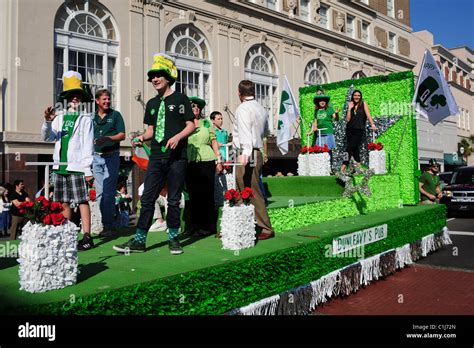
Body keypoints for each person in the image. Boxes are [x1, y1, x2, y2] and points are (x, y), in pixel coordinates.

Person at [113, 53, 195, 254]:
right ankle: (139, 241)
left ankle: (174, 240)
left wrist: (177, 137)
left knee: (173, 199)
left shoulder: (181, 98)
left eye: (158, 75)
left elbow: (191, 125)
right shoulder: (151, 104)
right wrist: (142, 137)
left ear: (168, 77)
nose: (154, 79)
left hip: (177, 157)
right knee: (148, 198)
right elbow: (150, 130)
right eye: (152, 76)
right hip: (157, 157)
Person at [42, 70, 95, 251]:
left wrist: (88, 169)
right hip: (60, 166)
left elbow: (88, 144)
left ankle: (87, 235)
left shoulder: (86, 118)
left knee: (82, 200)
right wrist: (48, 122)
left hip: (78, 166)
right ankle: (67, 233)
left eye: (77, 95)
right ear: (66, 97)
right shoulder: (59, 116)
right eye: (71, 95)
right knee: (63, 202)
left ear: (81, 98)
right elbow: (48, 137)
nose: (74, 99)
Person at [233, 80, 274, 240]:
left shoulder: (243, 108)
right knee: (247, 189)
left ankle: (265, 227)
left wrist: (245, 153)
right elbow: (266, 131)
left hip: (246, 152)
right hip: (256, 151)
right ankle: (242, 224)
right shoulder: (261, 108)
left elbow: (244, 132)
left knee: (248, 189)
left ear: (239, 93)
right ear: (254, 92)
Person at [186, 97, 223, 237]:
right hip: (190, 161)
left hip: (207, 160)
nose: (196, 109)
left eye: (198, 107)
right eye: (193, 106)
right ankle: (194, 226)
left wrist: (218, 160)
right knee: (193, 194)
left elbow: (214, 141)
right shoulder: (184, 124)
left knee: (206, 193)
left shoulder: (207, 123)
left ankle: (208, 227)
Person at [92, 89, 126, 236]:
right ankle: (104, 224)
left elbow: (122, 135)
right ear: (97, 101)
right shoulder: (91, 117)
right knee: (99, 193)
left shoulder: (116, 115)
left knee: (108, 193)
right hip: (95, 157)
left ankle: (109, 226)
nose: (107, 102)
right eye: (104, 99)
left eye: (108, 99)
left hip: (111, 157)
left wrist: (108, 139)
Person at [341, 90, 377, 173]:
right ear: (352, 96)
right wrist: (349, 109)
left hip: (359, 129)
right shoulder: (350, 105)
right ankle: (358, 167)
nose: (356, 97)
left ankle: (343, 165)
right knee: (355, 149)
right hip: (349, 130)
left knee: (349, 148)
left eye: (358, 95)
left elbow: (368, 114)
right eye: (355, 95)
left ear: (360, 97)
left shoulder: (363, 104)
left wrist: (372, 124)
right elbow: (347, 119)